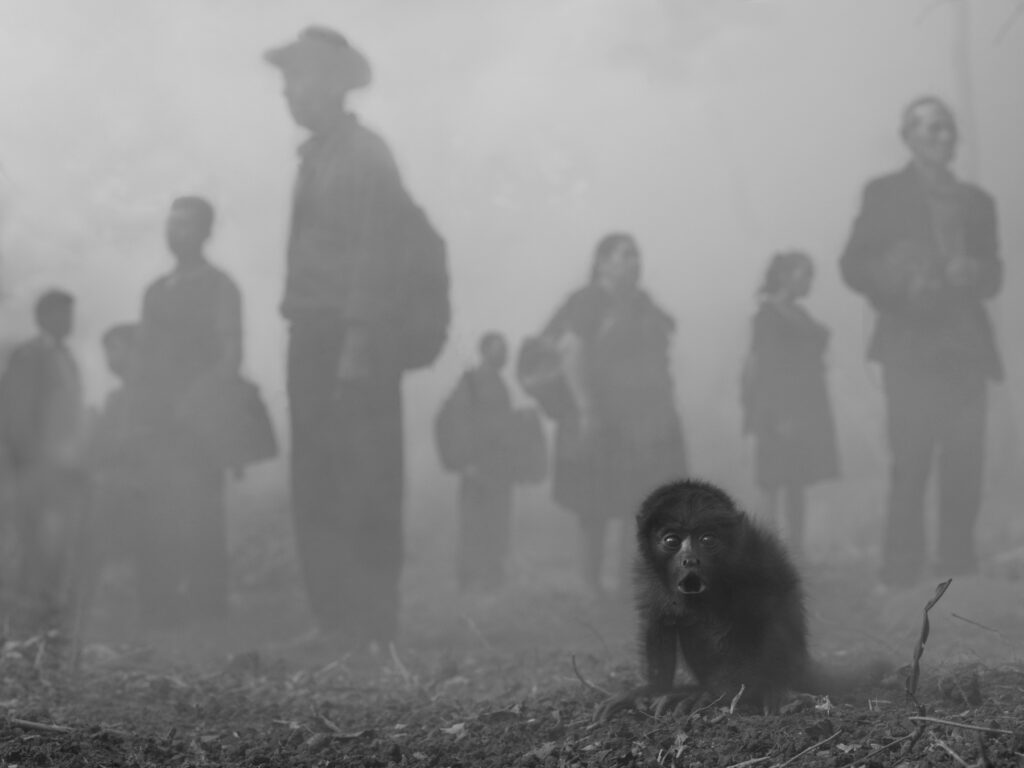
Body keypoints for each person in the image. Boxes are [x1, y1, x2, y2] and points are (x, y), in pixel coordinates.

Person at [264, 26, 449, 650]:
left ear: (333, 83)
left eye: (299, 77)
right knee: (315, 479)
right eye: (286, 79)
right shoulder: (317, 155)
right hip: (314, 338)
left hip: (352, 343)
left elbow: (376, 254)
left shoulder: (367, 154)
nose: (289, 91)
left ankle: (372, 624)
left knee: (365, 478)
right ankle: (332, 620)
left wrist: (358, 344)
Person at [839, 96, 1002, 588]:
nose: (942, 136)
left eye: (947, 128)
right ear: (907, 137)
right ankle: (901, 573)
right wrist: (902, 283)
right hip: (910, 347)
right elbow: (853, 264)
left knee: (965, 462)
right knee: (911, 462)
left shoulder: (978, 202)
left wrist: (975, 271)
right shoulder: (884, 194)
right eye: (930, 128)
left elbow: (994, 274)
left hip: (966, 347)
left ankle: (957, 569)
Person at [540, 233, 687, 599]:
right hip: (601, 416)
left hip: (643, 418)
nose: (634, 261)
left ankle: (626, 584)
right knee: (596, 500)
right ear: (603, 262)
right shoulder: (590, 300)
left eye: (637, 254)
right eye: (624, 255)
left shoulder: (641, 303)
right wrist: (588, 411)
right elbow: (572, 352)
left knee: (638, 498)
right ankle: (590, 585)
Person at [131, 196, 243, 627]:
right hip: (156, 422)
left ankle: (206, 612)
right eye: (171, 224)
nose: (175, 233)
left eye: (186, 225)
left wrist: (198, 401)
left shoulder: (220, 287)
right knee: (156, 512)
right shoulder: (155, 292)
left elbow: (230, 355)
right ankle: (158, 609)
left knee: (201, 516)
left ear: (206, 232)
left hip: (199, 424)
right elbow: (141, 361)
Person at [741, 251, 839, 557]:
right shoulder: (769, 317)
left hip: (802, 408)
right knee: (772, 481)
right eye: (804, 273)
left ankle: (794, 553)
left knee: (796, 480)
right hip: (778, 410)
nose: (810, 281)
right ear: (785, 276)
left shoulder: (796, 314)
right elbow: (765, 369)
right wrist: (777, 415)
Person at [0, 290, 87, 631]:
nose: (69, 322)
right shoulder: (29, 356)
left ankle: (47, 611)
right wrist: (28, 462)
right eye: (62, 314)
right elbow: (16, 413)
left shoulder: (65, 356)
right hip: (34, 467)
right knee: (31, 539)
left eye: (71, 314)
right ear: (43, 317)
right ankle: (23, 615)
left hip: (61, 467)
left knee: (57, 541)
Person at [436, 332, 518, 595]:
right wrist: (464, 462)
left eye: (504, 350)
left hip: (497, 468)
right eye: (497, 349)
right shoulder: (472, 381)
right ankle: (469, 579)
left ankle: (491, 576)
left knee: (496, 522)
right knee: (474, 524)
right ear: (484, 351)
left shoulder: (497, 382)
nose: (503, 355)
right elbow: (454, 420)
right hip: (477, 468)